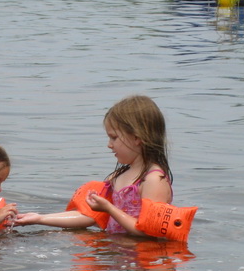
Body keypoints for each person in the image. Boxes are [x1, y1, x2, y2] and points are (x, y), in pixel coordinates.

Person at [15, 94, 196, 241]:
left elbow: (146, 231)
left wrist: (110, 209)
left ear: (137, 137)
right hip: (116, 250)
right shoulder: (118, 175)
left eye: (114, 138)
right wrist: (39, 219)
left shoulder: (154, 181)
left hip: (141, 258)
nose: (109, 145)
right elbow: (90, 216)